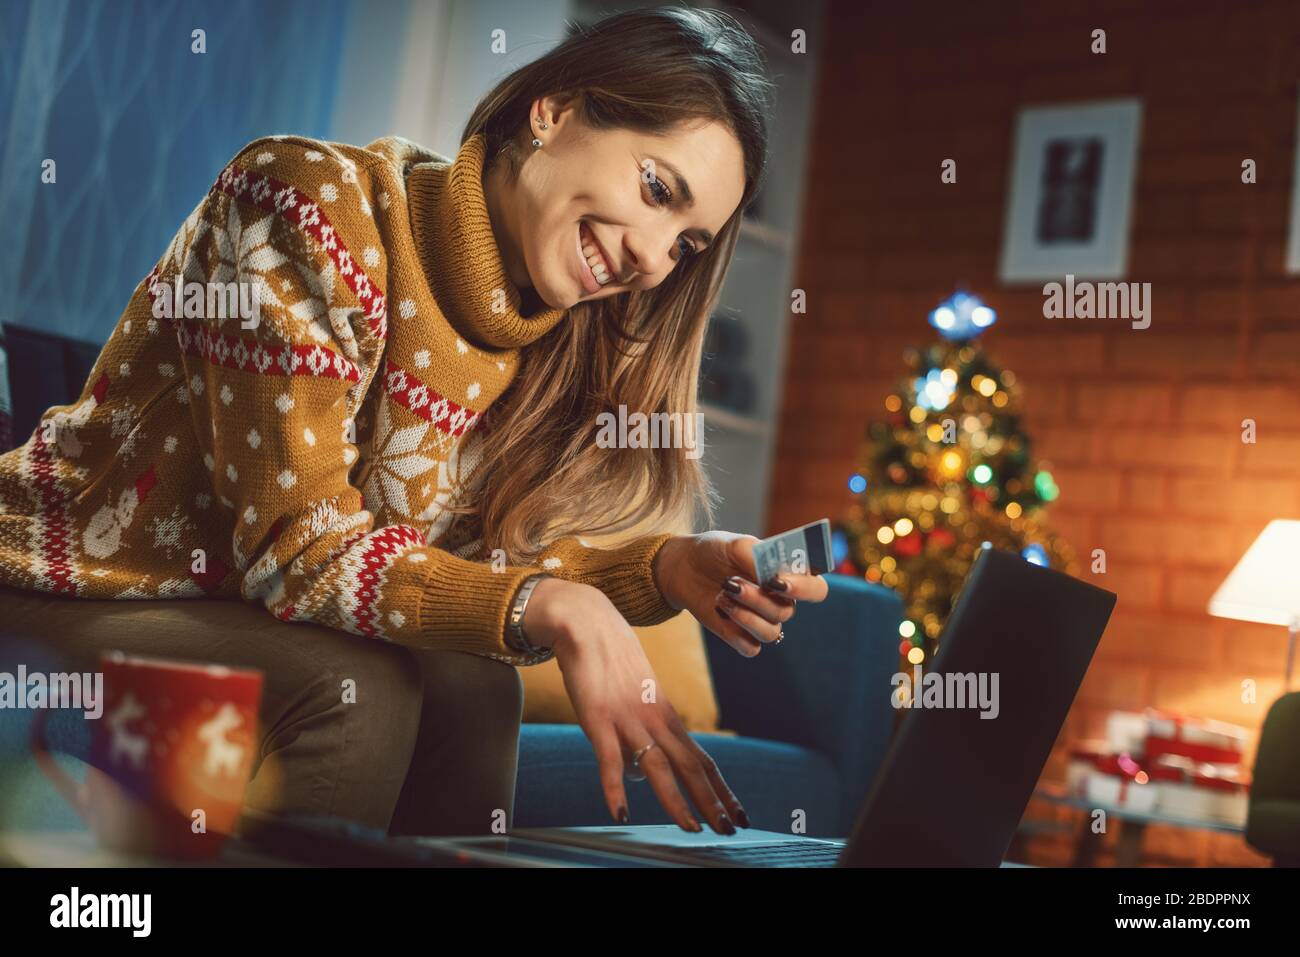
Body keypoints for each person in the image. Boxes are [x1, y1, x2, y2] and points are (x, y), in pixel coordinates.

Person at [0, 7, 827, 839]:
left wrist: (666, 567)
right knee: (353, 683)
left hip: (235, 611)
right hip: (62, 589)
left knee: (474, 679)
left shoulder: (551, 333)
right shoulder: (302, 200)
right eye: (656, 189)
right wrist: (556, 605)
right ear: (555, 109)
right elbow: (301, 553)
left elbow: (471, 565)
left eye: (684, 244)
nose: (652, 258)